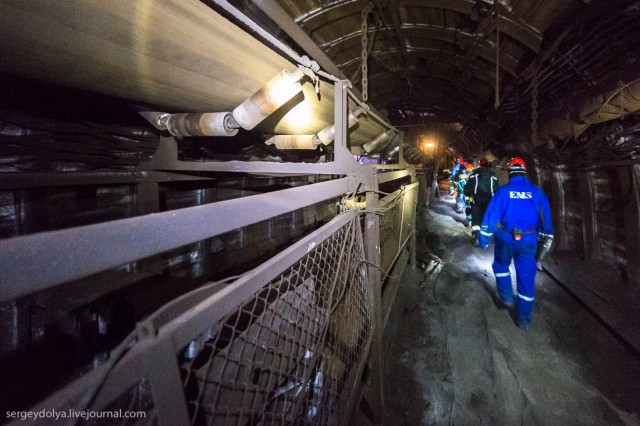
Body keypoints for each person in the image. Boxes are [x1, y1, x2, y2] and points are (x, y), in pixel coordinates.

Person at [477, 157, 554, 329]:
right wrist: (547, 236)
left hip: (506, 237)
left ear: (510, 172)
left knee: (500, 265)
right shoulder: (537, 191)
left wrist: (484, 238)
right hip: (529, 240)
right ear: (525, 171)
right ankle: (524, 320)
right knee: (526, 277)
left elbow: (492, 215)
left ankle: (506, 297)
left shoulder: (503, 191)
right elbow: (545, 217)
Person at [464, 158, 499, 237]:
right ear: (488, 165)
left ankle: (476, 234)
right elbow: (497, 189)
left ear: (480, 165)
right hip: (489, 200)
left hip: (476, 199)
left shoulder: (474, 175)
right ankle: (485, 235)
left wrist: (468, 198)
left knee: (476, 216)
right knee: (486, 216)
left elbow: (468, 187)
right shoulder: (493, 176)